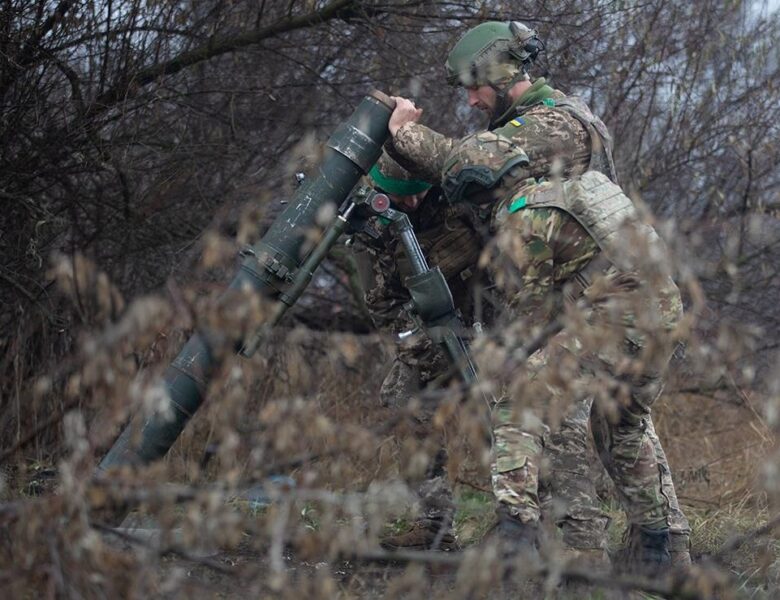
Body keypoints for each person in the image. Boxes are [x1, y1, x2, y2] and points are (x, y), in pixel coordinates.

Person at [383, 21, 691, 569]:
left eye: (474, 86)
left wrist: (401, 132)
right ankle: (658, 549)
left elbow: (468, 163)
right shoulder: (533, 125)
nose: (472, 100)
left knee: (551, 410)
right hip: (611, 302)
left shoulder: (558, 125)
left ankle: (570, 549)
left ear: (502, 74)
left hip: (592, 304)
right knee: (616, 424)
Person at [359, 153, 612, 566]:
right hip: (434, 334)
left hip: (498, 322)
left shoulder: (464, 202)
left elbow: (518, 264)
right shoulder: (380, 222)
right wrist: (417, 338)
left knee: (519, 419)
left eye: (414, 194)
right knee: (405, 399)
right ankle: (435, 522)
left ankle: (538, 525)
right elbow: (384, 301)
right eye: (396, 197)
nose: (408, 204)